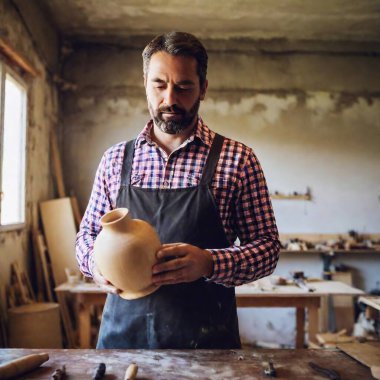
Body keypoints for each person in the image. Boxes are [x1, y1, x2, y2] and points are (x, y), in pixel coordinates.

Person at [76, 31, 280, 349]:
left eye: (184, 86)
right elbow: (86, 236)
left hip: (208, 348)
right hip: (124, 342)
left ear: (203, 88)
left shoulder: (238, 159)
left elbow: (267, 249)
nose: (170, 99)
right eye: (159, 85)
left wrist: (211, 263)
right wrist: (96, 265)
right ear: (145, 82)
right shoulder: (115, 159)